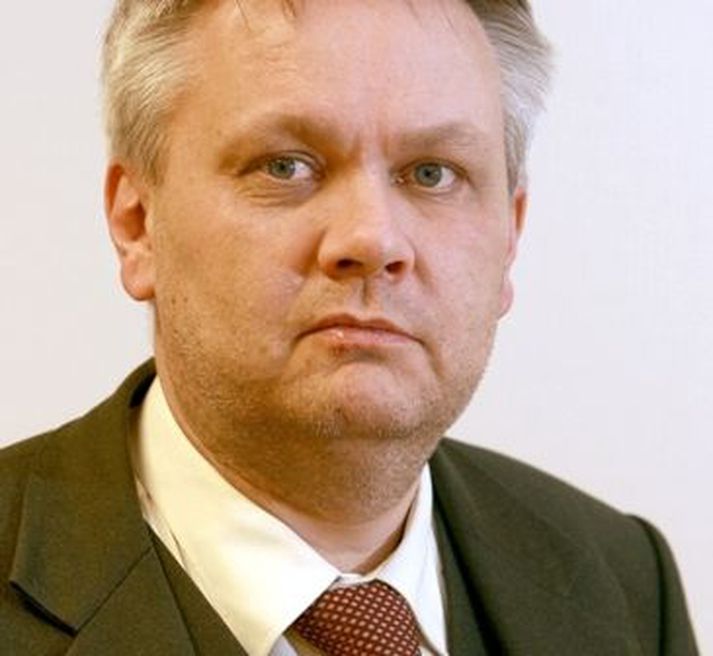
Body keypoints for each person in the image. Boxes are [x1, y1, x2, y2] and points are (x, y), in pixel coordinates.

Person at [0, 0, 698, 653]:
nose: (372, 239)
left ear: (509, 237)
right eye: (285, 166)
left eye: (432, 174)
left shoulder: (623, 582)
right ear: (137, 225)